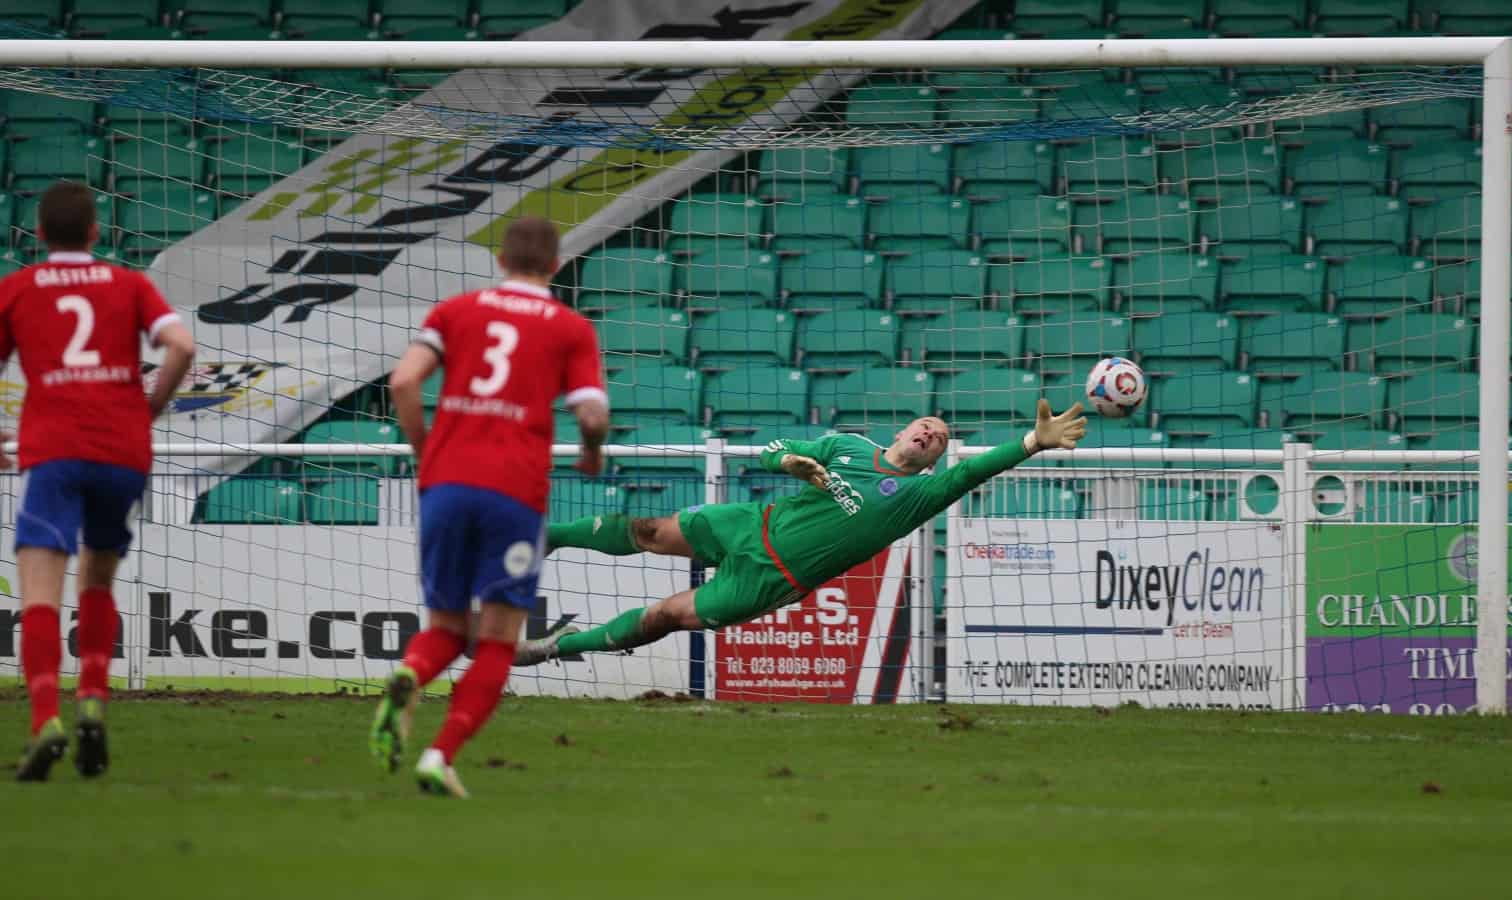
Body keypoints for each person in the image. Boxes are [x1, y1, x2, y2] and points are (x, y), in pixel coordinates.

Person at [515, 402, 1087, 666]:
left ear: (933, 456)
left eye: (938, 437)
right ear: (905, 428)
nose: (931, 434)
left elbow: (972, 471)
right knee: (647, 529)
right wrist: (791, 464)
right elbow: (770, 449)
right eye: (925, 425)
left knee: (665, 616)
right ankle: (551, 536)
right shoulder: (847, 446)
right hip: (749, 524)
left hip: (773, 579)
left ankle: (549, 649)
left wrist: (1032, 443)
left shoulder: (919, 496)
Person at [371, 215, 608, 798]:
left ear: (500, 261)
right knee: (499, 641)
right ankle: (440, 755)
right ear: (555, 266)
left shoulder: (456, 310)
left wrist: (427, 450)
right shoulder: (569, 326)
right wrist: (593, 455)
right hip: (513, 493)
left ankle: (410, 674)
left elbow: (403, 383)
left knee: (447, 629)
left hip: (446, 486)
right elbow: (593, 415)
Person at [1, 181, 197, 781]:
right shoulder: (128, 283)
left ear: (37, 234)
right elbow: (182, 345)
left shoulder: (16, 288)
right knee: (99, 574)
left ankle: (45, 721)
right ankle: (93, 697)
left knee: (40, 583)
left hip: (56, 447)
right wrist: (150, 408)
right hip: (122, 450)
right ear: (95, 231)